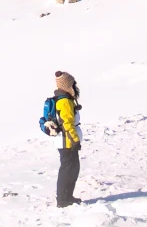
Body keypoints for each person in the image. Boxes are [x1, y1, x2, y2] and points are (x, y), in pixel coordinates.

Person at [52, 70, 82, 208]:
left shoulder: (65, 99)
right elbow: (67, 123)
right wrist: (75, 140)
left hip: (66, 140)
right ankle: (63, 199)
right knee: (68, 169)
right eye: (73, 83)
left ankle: (67, 196)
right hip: (67, 141)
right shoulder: (64, 102)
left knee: (72, 168)